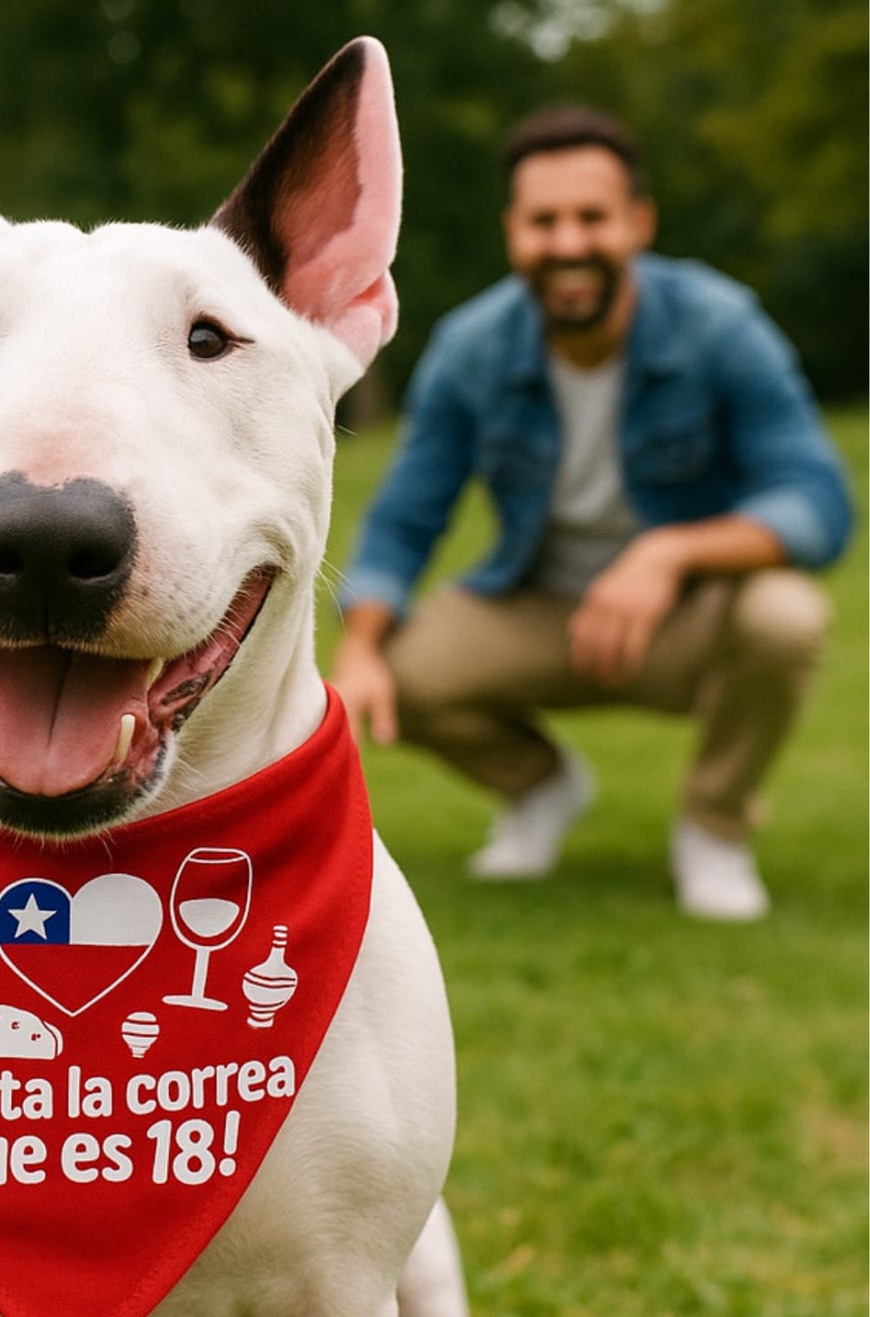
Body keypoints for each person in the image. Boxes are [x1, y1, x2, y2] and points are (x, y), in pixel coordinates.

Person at [331, 105, 853, 921]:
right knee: (396, 665)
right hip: (537, 608)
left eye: (591, 218)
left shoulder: (719, 324)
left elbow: (818, 501)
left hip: (683, 618)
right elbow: (405, 515)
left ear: (637, 223)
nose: (568, 243)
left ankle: (714, 827)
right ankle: (541, 789)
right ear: (514, 232)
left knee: (786, 614)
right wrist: (359, 647)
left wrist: (671, 553)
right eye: (544, 221)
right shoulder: (474, 347)